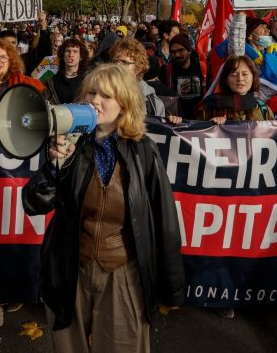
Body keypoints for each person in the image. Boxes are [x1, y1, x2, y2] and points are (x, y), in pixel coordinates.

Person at [22, 63, 184, 352]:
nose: (95, 101)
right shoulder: (70, 144)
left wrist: (172, 286)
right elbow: (33, 203)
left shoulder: (143, 150)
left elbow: (164, 219)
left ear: (124, 104)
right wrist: (54, 166)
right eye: (91, 93)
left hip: (122, 274)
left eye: (106, 96)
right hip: (73, 270)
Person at [201, 56, 277, 125]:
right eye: (234, 74)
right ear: (226, 79)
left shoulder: (263, 109)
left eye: (245, 74)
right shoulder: (210, 106)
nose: (240, 79)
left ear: (253, 77)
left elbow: (275, 136)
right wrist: (210, 126)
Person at [160, 33, 204, 119]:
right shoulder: (167, 70)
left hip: (200, 119)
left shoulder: (203, 67)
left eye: (181, 50)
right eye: (173, 52)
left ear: (189, 50)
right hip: (176, 120)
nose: (177, 55)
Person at [43, 38, 89, 105]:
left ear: (81, 57)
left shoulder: (87, 80)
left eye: (75, 51)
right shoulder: (52, 81)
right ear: (63, 55)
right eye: (68, 51)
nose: (71, 55)